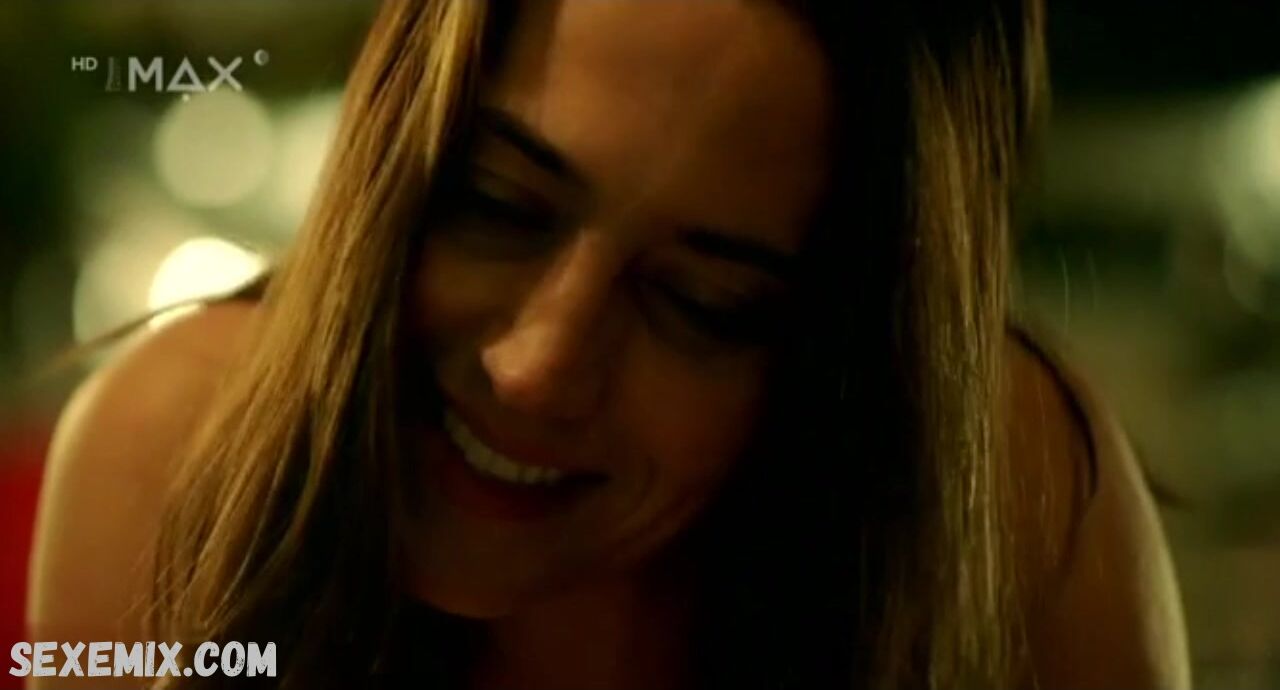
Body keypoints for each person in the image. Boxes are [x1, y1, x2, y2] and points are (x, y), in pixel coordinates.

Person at [27, 0, 1192, 688]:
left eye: (702, 302)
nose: (536, 368)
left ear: (844, 365)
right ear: (391, 155)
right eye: (496, 204)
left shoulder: (1004, 497)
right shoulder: (167, 454)